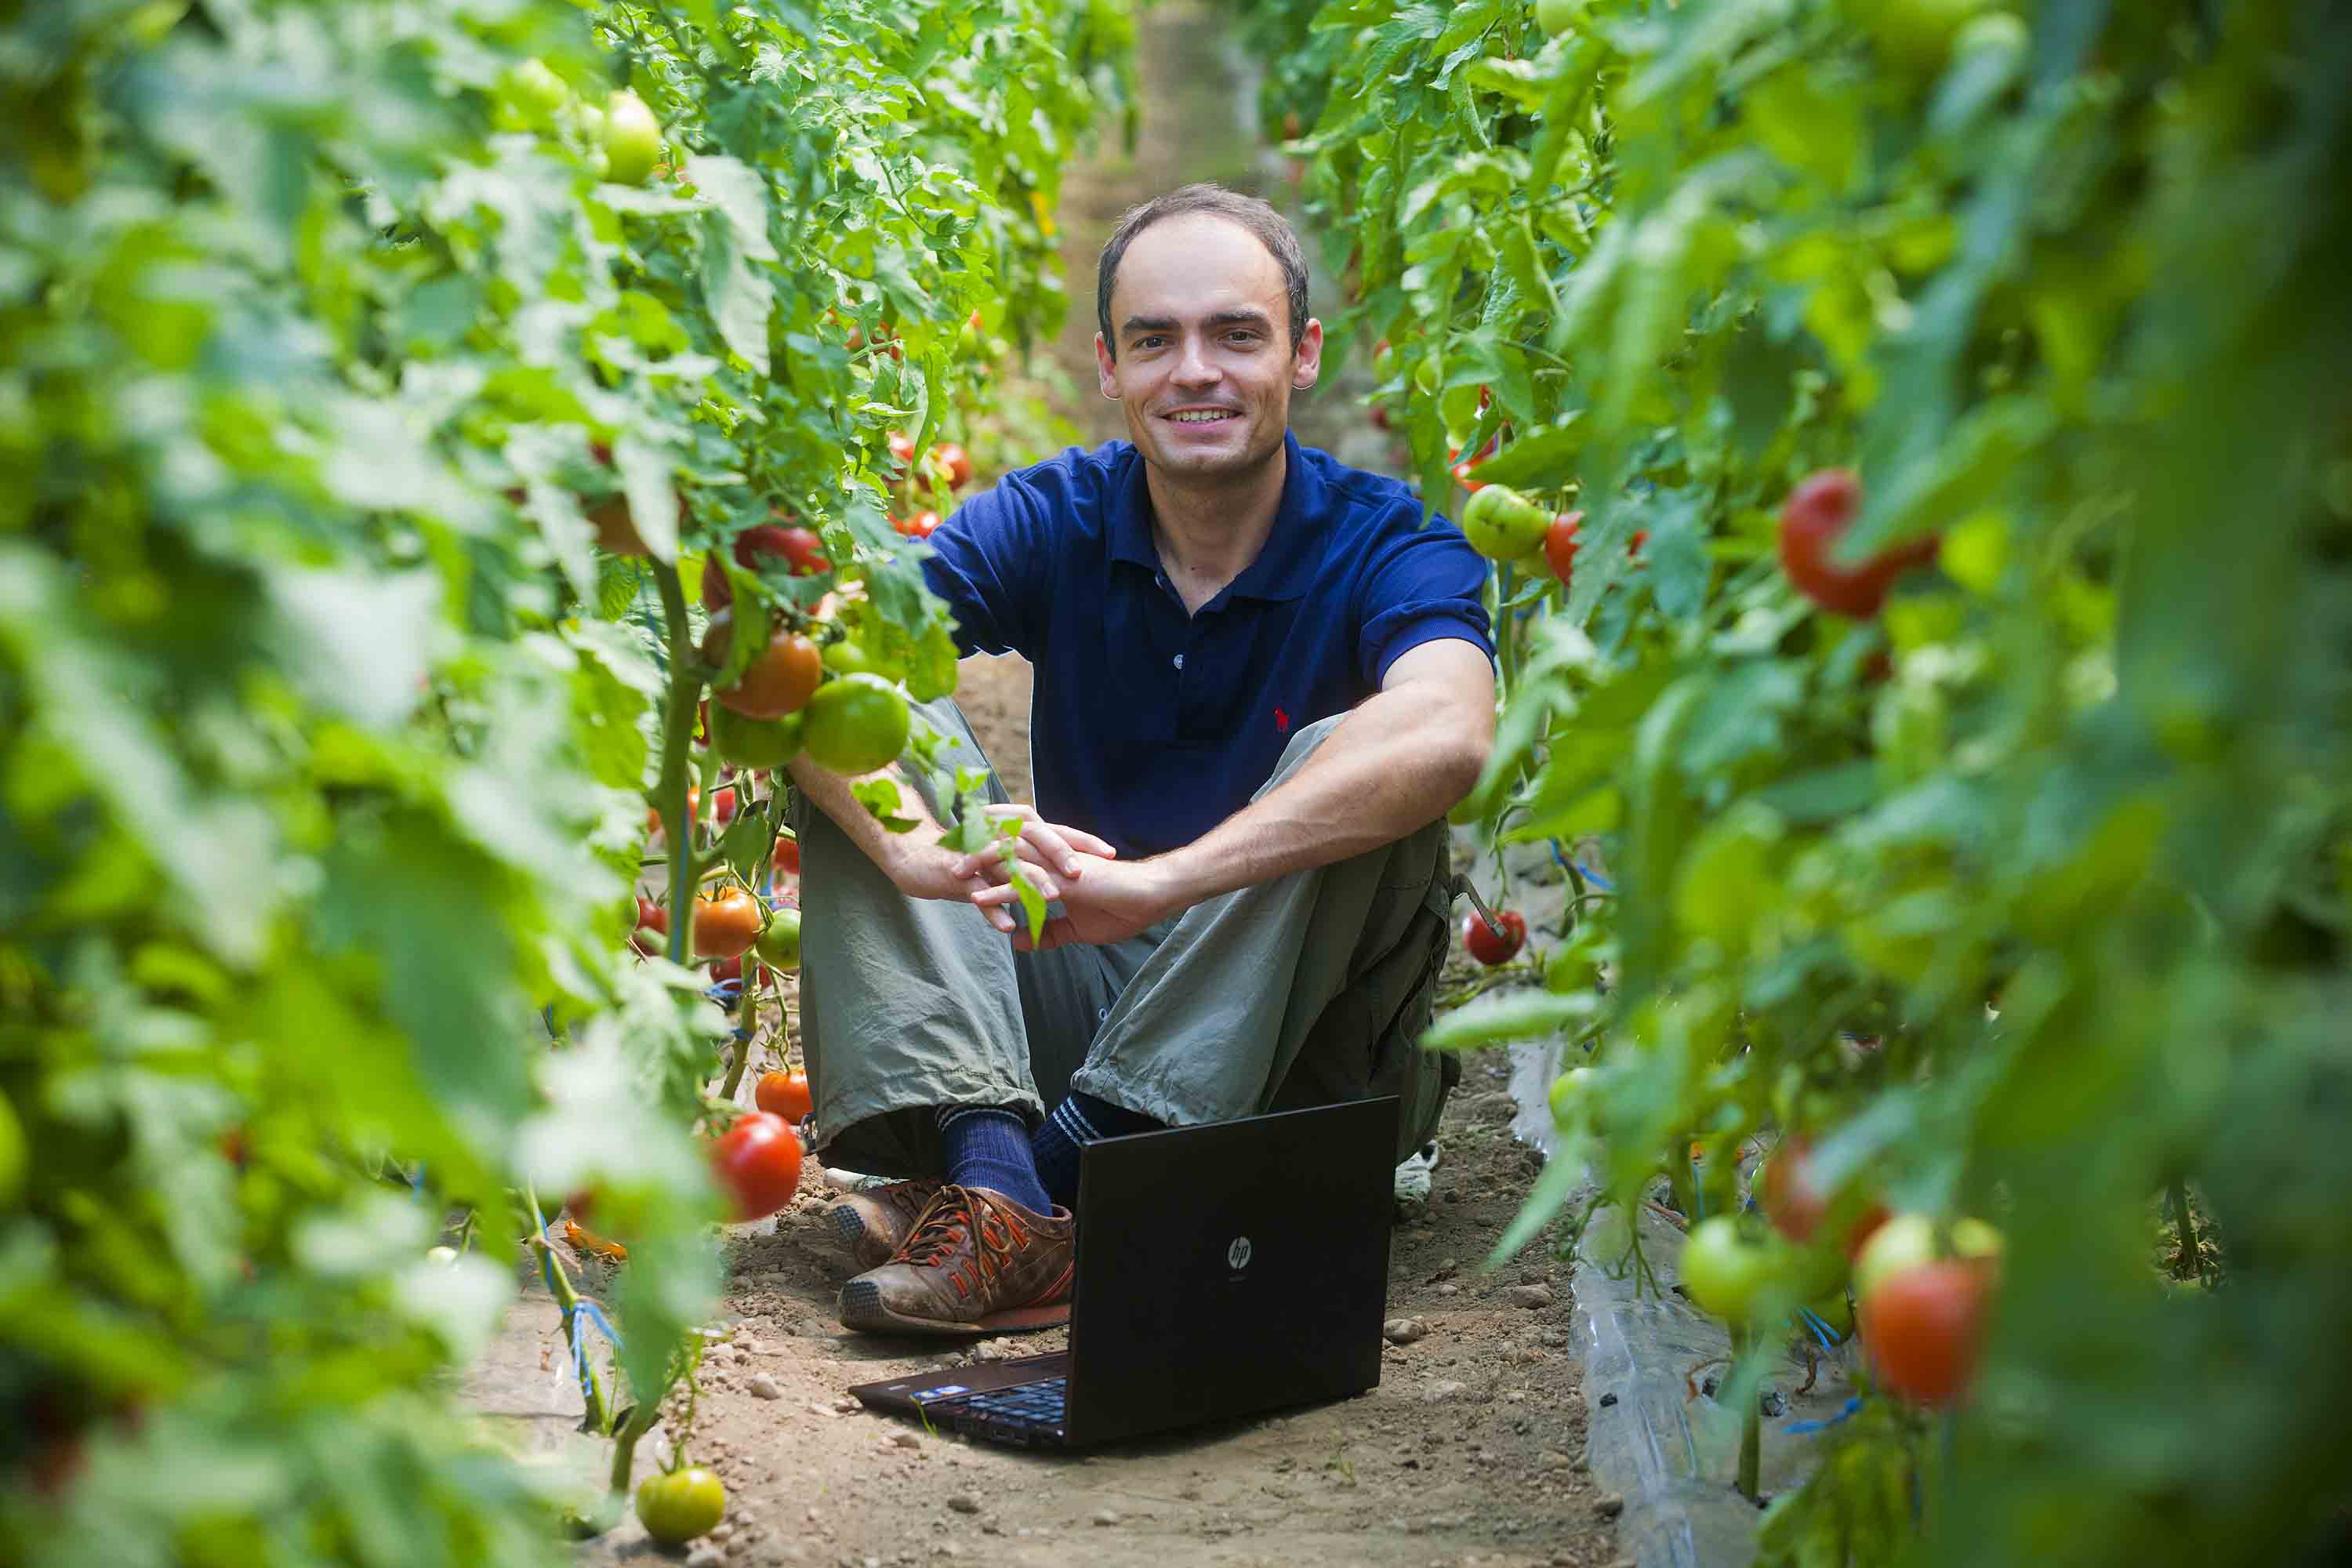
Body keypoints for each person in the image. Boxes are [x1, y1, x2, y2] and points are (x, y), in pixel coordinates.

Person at [784, 183, 1497, 1335]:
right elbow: (814, 663)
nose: (1196, 372)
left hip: (1299, 1064)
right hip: (1083, 1019)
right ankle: (1004, 1179)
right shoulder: (1059, 514)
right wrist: (923, 850)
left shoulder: (1389, 542)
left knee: (1361, 753)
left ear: (1302, 355)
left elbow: (1451, 730)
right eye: (1156, 340)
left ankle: (1044, 1183)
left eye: (1237, 334)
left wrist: (1166, 882)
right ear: (1110, 367)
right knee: (875, 709)